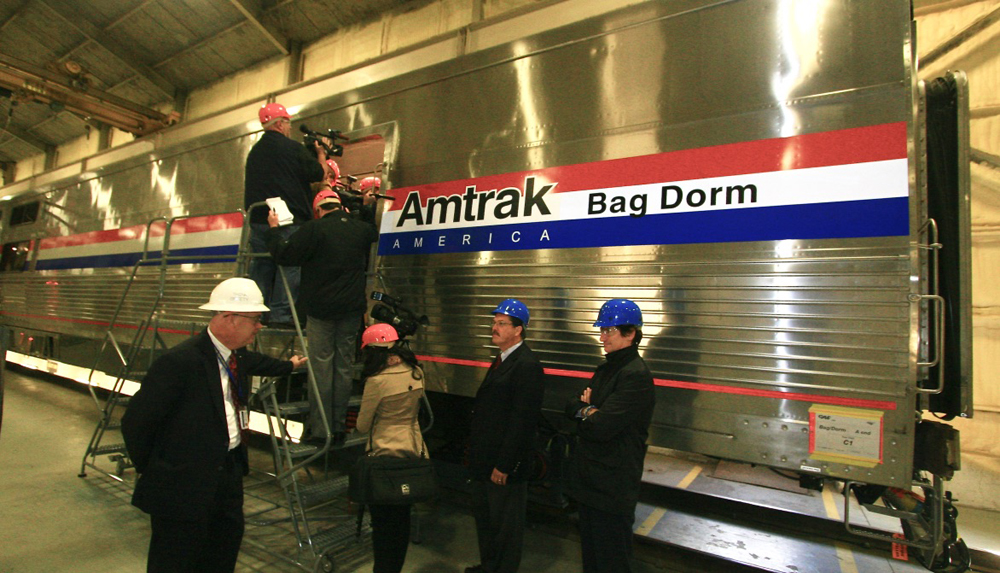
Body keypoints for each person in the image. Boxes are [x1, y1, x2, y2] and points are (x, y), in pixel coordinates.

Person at [122, 277, 307, 573]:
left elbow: (261, 363)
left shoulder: (237, 356)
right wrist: (158, 468)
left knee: (223, 548)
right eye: (255, 320)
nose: (260, 326)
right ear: (229, 318)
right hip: (183, 482)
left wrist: (290, 366)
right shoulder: (180, 362)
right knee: (176, 557)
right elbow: (136, 423)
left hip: (228, 471)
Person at [266, 185, 378, 441]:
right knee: (344, 368)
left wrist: (274, 231)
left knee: (322, 369)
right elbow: (372, 231)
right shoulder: (358, 229)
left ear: (318, 210)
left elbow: (284, 254)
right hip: (351, 311)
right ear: (340, 206)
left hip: (321, 311)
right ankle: (338, 427)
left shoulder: (313, 229)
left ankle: (320, 430)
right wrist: (368, 207)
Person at [565, 299, 655, 573]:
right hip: (591, 481)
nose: (602, 336)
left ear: (630, 333)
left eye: (608, 330)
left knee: (612, 560)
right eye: (601, 330)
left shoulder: (635, 376)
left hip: (613, 487)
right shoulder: (606, 369)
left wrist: (588, 410)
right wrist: (588, 411)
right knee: (592, 558)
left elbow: (602, 426)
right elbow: (572, 407)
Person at [465, 299, 545, 573]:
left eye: (501, 323)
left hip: (503, 463)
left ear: (518, 329)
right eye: (494, 322)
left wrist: (505, 464)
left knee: (505, 527)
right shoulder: (501, 359)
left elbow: (522, 421)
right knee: (487, 520)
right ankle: (489, 567)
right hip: (485, 457)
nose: (494, 328)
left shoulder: (527, 365)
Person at [244, 102, 328, 325]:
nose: (290, 128)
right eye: (288, 124)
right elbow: (318, 174)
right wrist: (320, 153)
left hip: (259, 219)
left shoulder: (254, 152)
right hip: (287, 219)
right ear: (280, 124)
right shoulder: (292, 148)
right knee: (290, 265)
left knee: (262, 266)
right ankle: (282, 314)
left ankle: (254, 313)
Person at [354, 323, 427, 573]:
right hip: (412, 450)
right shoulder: (416, 372)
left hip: (383, 456)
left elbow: (363, 425)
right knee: (402, 520)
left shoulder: (376, 381)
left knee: (382, 524)